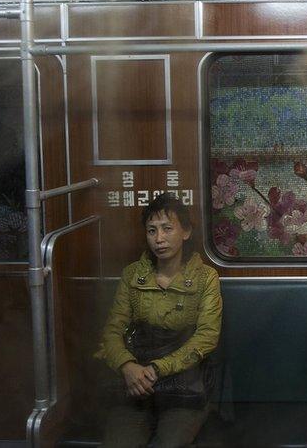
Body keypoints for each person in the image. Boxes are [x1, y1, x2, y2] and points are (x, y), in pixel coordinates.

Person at [96, 192, 222, 448]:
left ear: (185, 232)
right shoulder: (132, 275)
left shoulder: (205, 278)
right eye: (152, 231)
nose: (159, 239)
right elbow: (112, 331)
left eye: (167, 229)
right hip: (136, 384)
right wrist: (127, 367)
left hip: (183, 387)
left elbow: (206, 337)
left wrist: (156, 369)